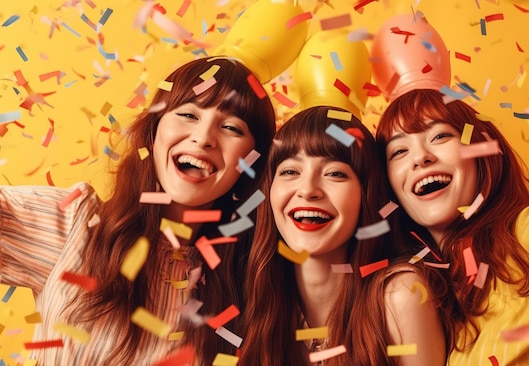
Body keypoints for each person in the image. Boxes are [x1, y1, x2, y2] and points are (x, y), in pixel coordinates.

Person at [0, 1, 309, 363]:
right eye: (189, 114)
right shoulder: (77, 226)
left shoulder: (257, 284)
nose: (203, 137)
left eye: (231, 127)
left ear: (252, 163)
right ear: (153, 132)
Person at [372, 12, 529, 365]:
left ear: (481, 154)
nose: (420, 158)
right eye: (399, 150)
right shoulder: (431, 301)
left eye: (440, 136)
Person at [239, 28, 447, 366]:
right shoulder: (253, 294)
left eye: (335, 173)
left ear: (367, 195)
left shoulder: (400, 296)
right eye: (290, 172)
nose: (307, 190)